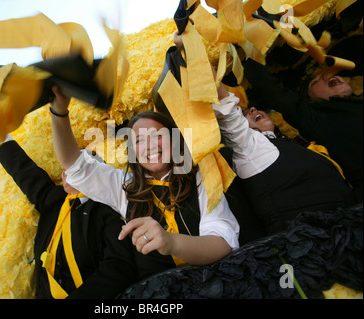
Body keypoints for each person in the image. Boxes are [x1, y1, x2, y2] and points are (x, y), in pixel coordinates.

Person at [173, 33, 356, 235]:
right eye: (244, 114)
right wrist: (190, 48)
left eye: (253, 109)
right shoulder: (246, 148)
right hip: (312, 246)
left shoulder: (304, 147)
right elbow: (221, 97)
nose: (252, 110)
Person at [50, 86, 240, 279]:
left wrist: (170, 243)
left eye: (158, 136)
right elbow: (74, 164)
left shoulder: (201, 176)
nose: (150, 145)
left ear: (175, 141)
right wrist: (59, 112)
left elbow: (222, 243)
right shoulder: (123, 187)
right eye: (139, 141)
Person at [0, 135, 137, 299]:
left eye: (77, 168)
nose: (67, 172)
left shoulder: (108, 211)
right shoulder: (53, 199)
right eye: (66, 168)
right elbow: (24, 171)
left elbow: (118, 267)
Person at [242, 57, 363, 203]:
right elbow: (276, 93)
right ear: (309, 99)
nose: (328, 78)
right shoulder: (318, 119)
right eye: (316, 81)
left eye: (328, 75)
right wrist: (245, 57)